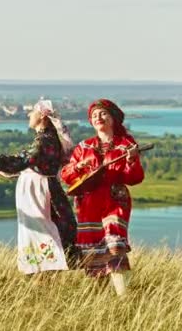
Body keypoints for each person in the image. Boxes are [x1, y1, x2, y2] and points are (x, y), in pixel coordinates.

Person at [0, 100, 79, 274]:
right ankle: (44, 274)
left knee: (42, 232)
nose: (29, 115)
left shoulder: (44, 141)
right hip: (38, 191)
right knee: (42, 232)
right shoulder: (46, 139)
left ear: (42, 115)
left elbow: (20, 162)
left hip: (39, 194)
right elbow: (24, 163)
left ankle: (43, 277)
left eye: (32, 112)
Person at [60, 98, 144, 295]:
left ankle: (125, 296)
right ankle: (102, 300)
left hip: (115, 201)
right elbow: (66, 175)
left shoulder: (126, 145)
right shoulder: (84, 147)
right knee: (94, 252)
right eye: (94, 115)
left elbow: (135, 178)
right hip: (88, 204)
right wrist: (77, 166)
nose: (98, 117)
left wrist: (131, 160)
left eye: (103, 113)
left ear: (113, 118)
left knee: (115, 245)